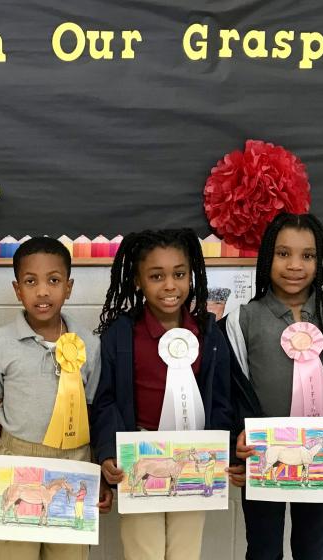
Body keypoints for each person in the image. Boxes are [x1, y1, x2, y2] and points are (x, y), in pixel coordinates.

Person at [223, 213, 323, 560]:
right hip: (263, 454)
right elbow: (234, 393)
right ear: (267, 257)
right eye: (283, 254)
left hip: (322, 452)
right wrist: (234, 437)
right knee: (263, 549)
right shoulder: (241, 321)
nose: (294, 265)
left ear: (320, 261)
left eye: (307, 256)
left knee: (312, 550)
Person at [91, 228, 232, 560]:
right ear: (138, 281)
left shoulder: (210, 334)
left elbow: (223, 400)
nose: (170, 285)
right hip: (140, 457)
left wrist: (222, 452)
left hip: (192, 458)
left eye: (179, 274)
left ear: (191, 276)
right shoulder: (122, 335)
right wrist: (108, 452)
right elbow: (106, 399)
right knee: (143, 552)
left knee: (185, 552)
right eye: (157, 276)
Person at [0, 237, 110, 560]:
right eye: (31, 281)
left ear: (70, 286)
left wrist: (99, 477)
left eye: (54, 280)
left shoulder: (89, 344)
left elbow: (95, 414)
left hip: (74, 463)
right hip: (16, 460)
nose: (43, 291)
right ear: (17, 289)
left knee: (69, 554)